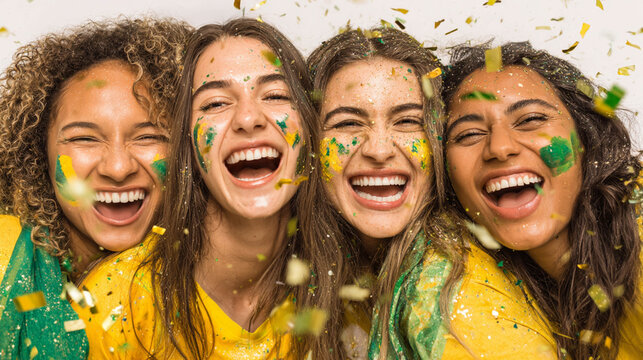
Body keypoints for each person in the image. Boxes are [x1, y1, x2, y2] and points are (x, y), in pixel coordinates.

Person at [75, 18, 348, 359]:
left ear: (311, 129)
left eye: (276, 95)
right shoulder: (115, 303)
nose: (248, 118)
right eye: (216, 103)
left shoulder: (346, 295)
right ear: (187, 144)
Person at [308, 29, 558, 360]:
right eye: (347, 124)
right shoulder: (318, 268)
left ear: (438, 142)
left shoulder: (451, 288)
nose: (380, 150)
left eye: (407, 121)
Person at [0, 18, 191, 359]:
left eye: (148, 137)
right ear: (37, 151)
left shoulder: (215, 288)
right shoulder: (3, 259)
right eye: (85, 138)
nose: (118, 168)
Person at [443, 41, 642, 359]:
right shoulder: (461, 284)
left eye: (531, 120)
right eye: (468, 134)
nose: (500, 147)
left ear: (586, 142)